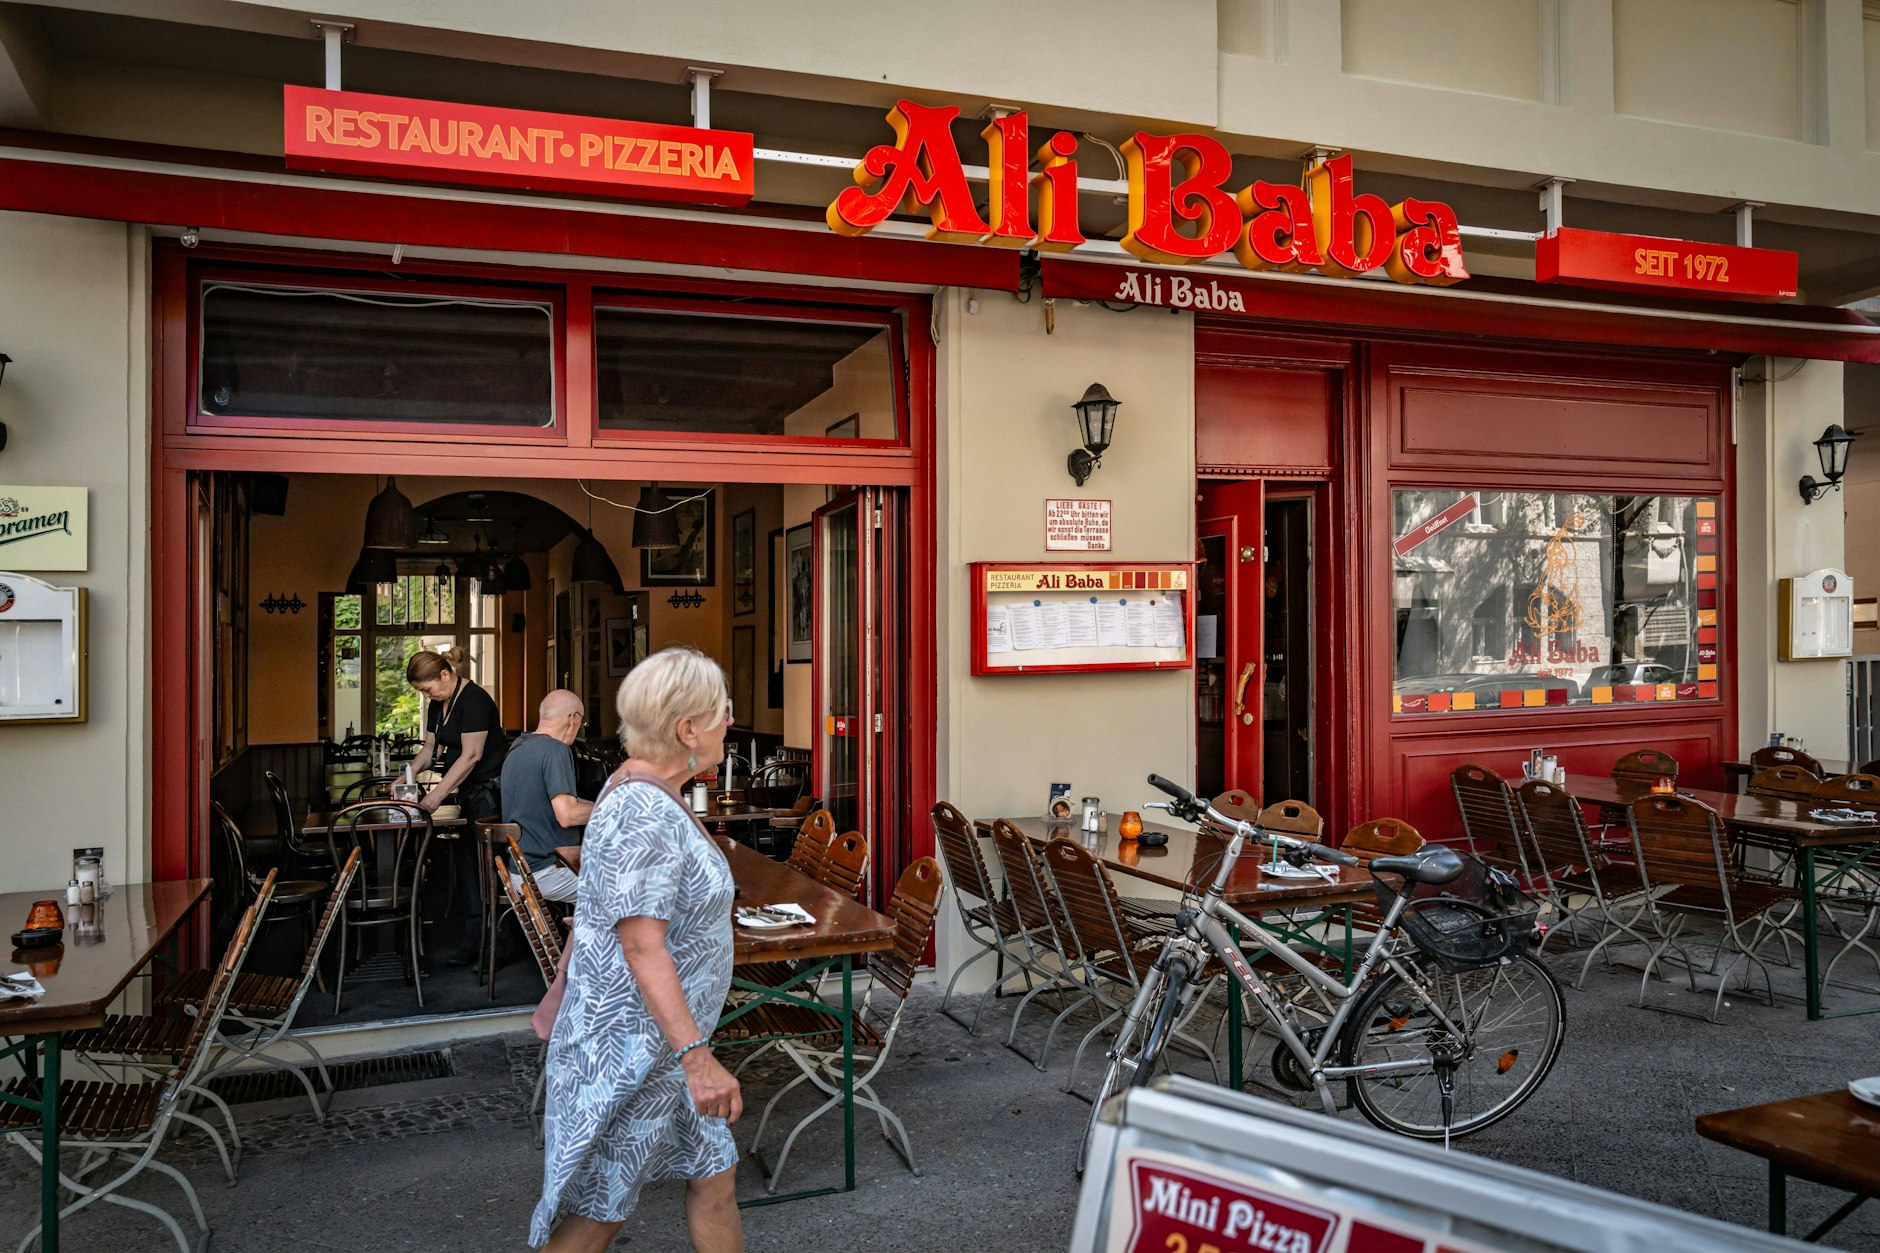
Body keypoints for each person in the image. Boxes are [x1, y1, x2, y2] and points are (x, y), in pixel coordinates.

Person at [533, 646, 743, 1253]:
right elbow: (642, 945)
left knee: (715, 1179)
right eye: (723, 711)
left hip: (665, 1047)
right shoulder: (641, 808)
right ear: (688, 730)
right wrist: (698, 1058)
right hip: (636, 1051)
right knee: (601, 1210)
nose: (731, 720)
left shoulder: (647, 789)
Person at [406, 646, 509, 966]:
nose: (426, 696)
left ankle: (497, 945)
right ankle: (472, 941)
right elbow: (429, 748)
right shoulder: (440, 703)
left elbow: (471, 756)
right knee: (468, 868)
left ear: (445, 675)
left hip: (489, 796)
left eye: (427, 689)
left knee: (487, 869)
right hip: (468, 794)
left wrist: (436, 796)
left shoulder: (475, 700)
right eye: (421, 692)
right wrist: (406, 776)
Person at [502, 689, 592, 904]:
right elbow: (567, 815)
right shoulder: (555, 750)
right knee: (633, 891)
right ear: (573, 719)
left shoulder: (518, 747)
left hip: (521, 871)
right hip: (547, 873)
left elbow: (567, 802)